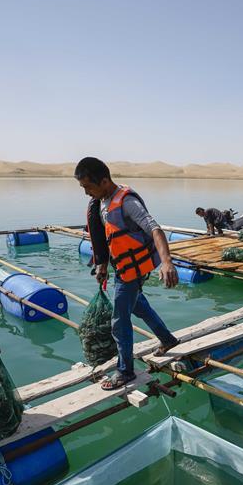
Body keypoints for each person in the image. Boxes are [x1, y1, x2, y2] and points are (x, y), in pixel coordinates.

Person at [76, 157, 180, 390]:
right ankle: (167, 339)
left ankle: (125, 371)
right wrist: (102, 265)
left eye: (88, 187)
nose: (85, 193)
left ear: (104, 181)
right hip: (123, 267)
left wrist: (166, 262)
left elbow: (154, 228)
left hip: (133, 271)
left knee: (119, 320)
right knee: (138, 305)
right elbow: (105, 238)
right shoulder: (101, 201)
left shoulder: (127, 202)